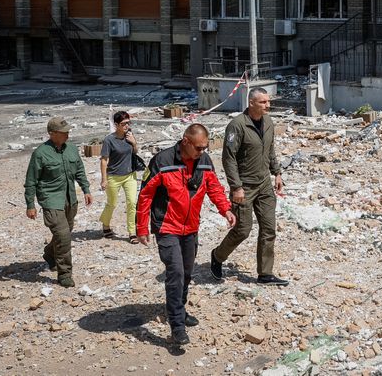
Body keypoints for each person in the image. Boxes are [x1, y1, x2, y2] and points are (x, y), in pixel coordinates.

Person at [136, 124, 236, 345]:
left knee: (188, 273)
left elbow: (214, 188)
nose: (203, 152)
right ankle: (177, 326)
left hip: (190, 228)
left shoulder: (205, 162)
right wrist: (142, 227)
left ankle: (179, 309)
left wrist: (226, 209)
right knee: (177, 272)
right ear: (185, 142)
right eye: (199, 148)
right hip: (167, 227)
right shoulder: (161, 161)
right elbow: (145, 195)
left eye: (205, 147)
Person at [210, 87, 287, 286]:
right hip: (244, 186)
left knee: (269, 229)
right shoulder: (237, 126)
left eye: (268, 101)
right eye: (263, 102)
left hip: (264, 185)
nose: (267, 105)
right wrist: (236, 187)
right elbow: (229, 159)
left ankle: (265, 274)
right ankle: (218, 256)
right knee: (242, 230)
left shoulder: (268, 122)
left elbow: (270, 150)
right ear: (251, 103)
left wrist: (277, 173)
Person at [24, 116, 93, 288]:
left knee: (65, 233)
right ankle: (64, 274)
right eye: (63, 132)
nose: (67, 135)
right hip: (50, 199)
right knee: (63, 235)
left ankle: (49, 254)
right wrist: (30, 205)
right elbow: (31, 180)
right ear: (52, 134)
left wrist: (86, 189)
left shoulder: (71, 149)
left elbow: (79, 170)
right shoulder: (40, 153)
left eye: (68, 131)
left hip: (70, 198)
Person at [99, 110, 140, 242]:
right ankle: (105, 225)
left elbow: (135, 152)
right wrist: (104, 179)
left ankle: (132, 232)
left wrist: (134, 143)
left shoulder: (130, 136)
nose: (127, 126)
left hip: (130, 175)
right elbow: (104, 160)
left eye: (128, 123)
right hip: (113, 177)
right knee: (112, 203)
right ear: (116, 124)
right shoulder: (109, 140)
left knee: (132, 203)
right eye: (123, 124)